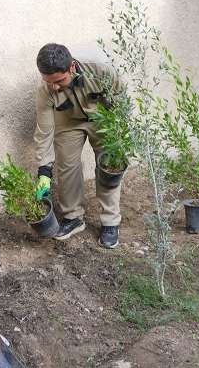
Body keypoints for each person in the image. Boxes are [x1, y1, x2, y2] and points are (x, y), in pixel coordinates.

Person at [34, 43, 124, 248]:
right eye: (49, 82)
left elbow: (121, 100)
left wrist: (117, 134)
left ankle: (110, 221)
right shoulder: (44, 88)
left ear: (72, 67)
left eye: (59, 81)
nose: (55, 87)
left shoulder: (101, 67)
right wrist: (44, 173)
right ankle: (73, 217)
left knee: (108, 166)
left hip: (103, 115)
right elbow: (44, 131)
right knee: (67, 165)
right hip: (69, 117)